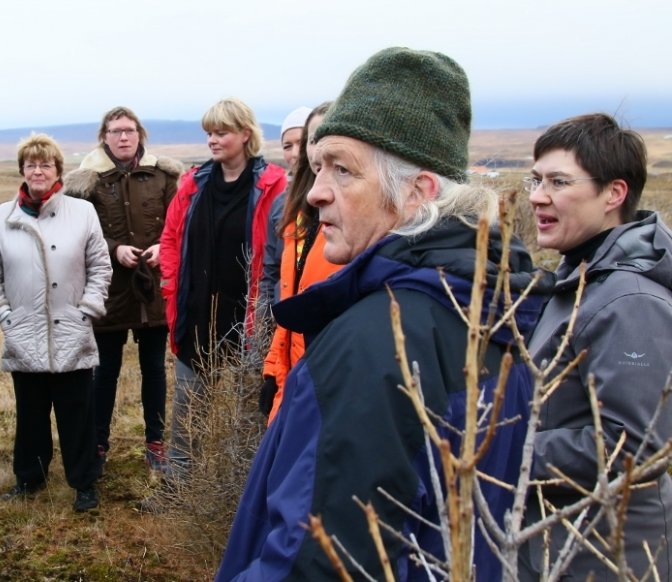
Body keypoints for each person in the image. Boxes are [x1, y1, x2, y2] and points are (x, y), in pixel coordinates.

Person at [216, 48, 546, 580]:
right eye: (318, 166)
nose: (316, 192)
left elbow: (316, 565)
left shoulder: (376, 344)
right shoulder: (495, 312)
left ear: (418, 192)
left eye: (342, 170)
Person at [519, 113, 672, 580]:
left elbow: (632, 450)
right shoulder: (581, 280)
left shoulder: (630, 302)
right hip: (562, 540)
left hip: (609, 556)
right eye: (536, 179)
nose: (537, 196)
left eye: (559, 181)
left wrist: (505, 447)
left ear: (614, 194)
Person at [0, 133, 111, 512]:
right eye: (31, 164)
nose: (38, 170)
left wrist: (87, 308)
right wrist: (4, 314)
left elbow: (101, 266)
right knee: (30, 413)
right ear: (21, 170)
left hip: (72, 329)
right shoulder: (2, 217)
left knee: (78, 414)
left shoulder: (82, 213)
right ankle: (29, 478)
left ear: (58, 170)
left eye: (46, 164)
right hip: (25, 332)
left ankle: (84, 483)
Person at [159, 97, 287, 475]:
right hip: (197, 313)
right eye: (209, 133)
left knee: (248, 409)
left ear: (245, 134)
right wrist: (169, 283)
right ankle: (179, 480)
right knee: (188, 404)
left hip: (248, 317)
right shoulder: (193, 184)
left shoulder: (272, 186)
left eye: (221, 132)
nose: (212, 140)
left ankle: (240, 486)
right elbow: (169, 238)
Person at [63, 107, 182, 473]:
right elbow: (79, 231)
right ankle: (98, 444)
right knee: (105, 371)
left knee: (154, 370)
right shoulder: (88, 182)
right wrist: (114, 248)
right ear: (105, 137)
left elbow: (178, 223)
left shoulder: (164, 177)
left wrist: (164, 246)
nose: (123, 137)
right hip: (109, 290)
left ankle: (156, 443)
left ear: (140, 134)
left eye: (129, 130)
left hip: (153, 289)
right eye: (115, 131)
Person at [258, 102, 343, 424]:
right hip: (291, 364)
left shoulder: (353, 215)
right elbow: (290, 294)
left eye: (326, 135)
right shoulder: (291, 207)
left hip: (328, 372)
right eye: (312, 138)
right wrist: (273, 368)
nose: (316, 147)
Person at [258, 106, 311, 315]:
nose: (295, 153)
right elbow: (271, 271)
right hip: (285, 317)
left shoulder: (337, 200)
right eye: (287, 146)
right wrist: (264, 321)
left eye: (303, 142)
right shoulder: (281, 204)